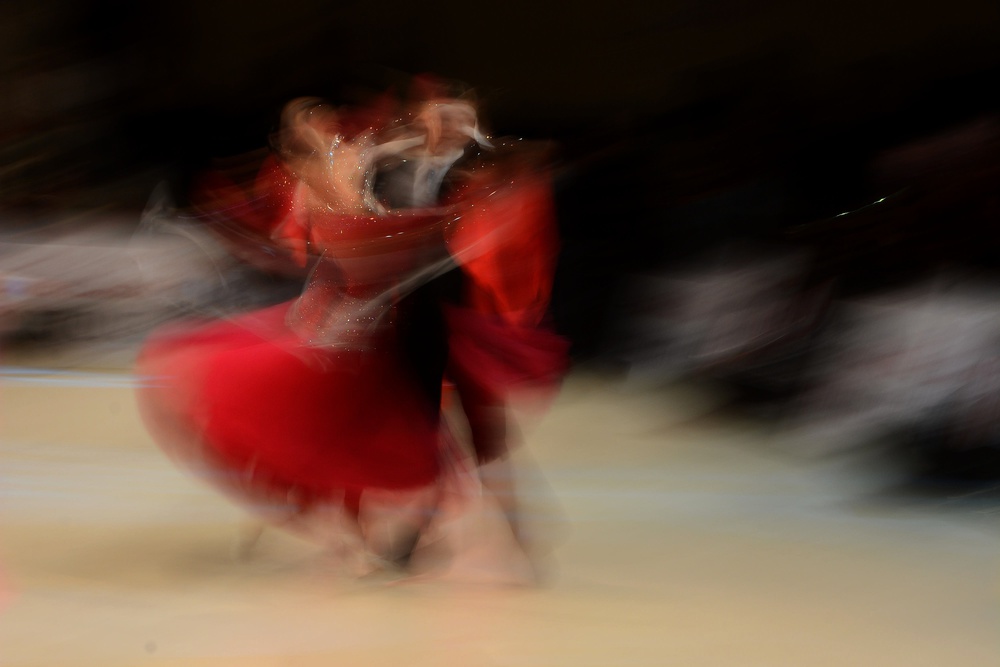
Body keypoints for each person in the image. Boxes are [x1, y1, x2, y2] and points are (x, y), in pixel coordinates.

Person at [136, 84, 567, 573]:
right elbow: (354, 237)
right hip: (407, 324)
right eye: (441, 117)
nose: (448, 126)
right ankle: (408, 542)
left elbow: (492, 212)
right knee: (406, 430)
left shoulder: (473, 166)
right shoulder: (382, 168)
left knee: (482, 439)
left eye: (458, 118)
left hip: (454, 326)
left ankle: (511, 539)